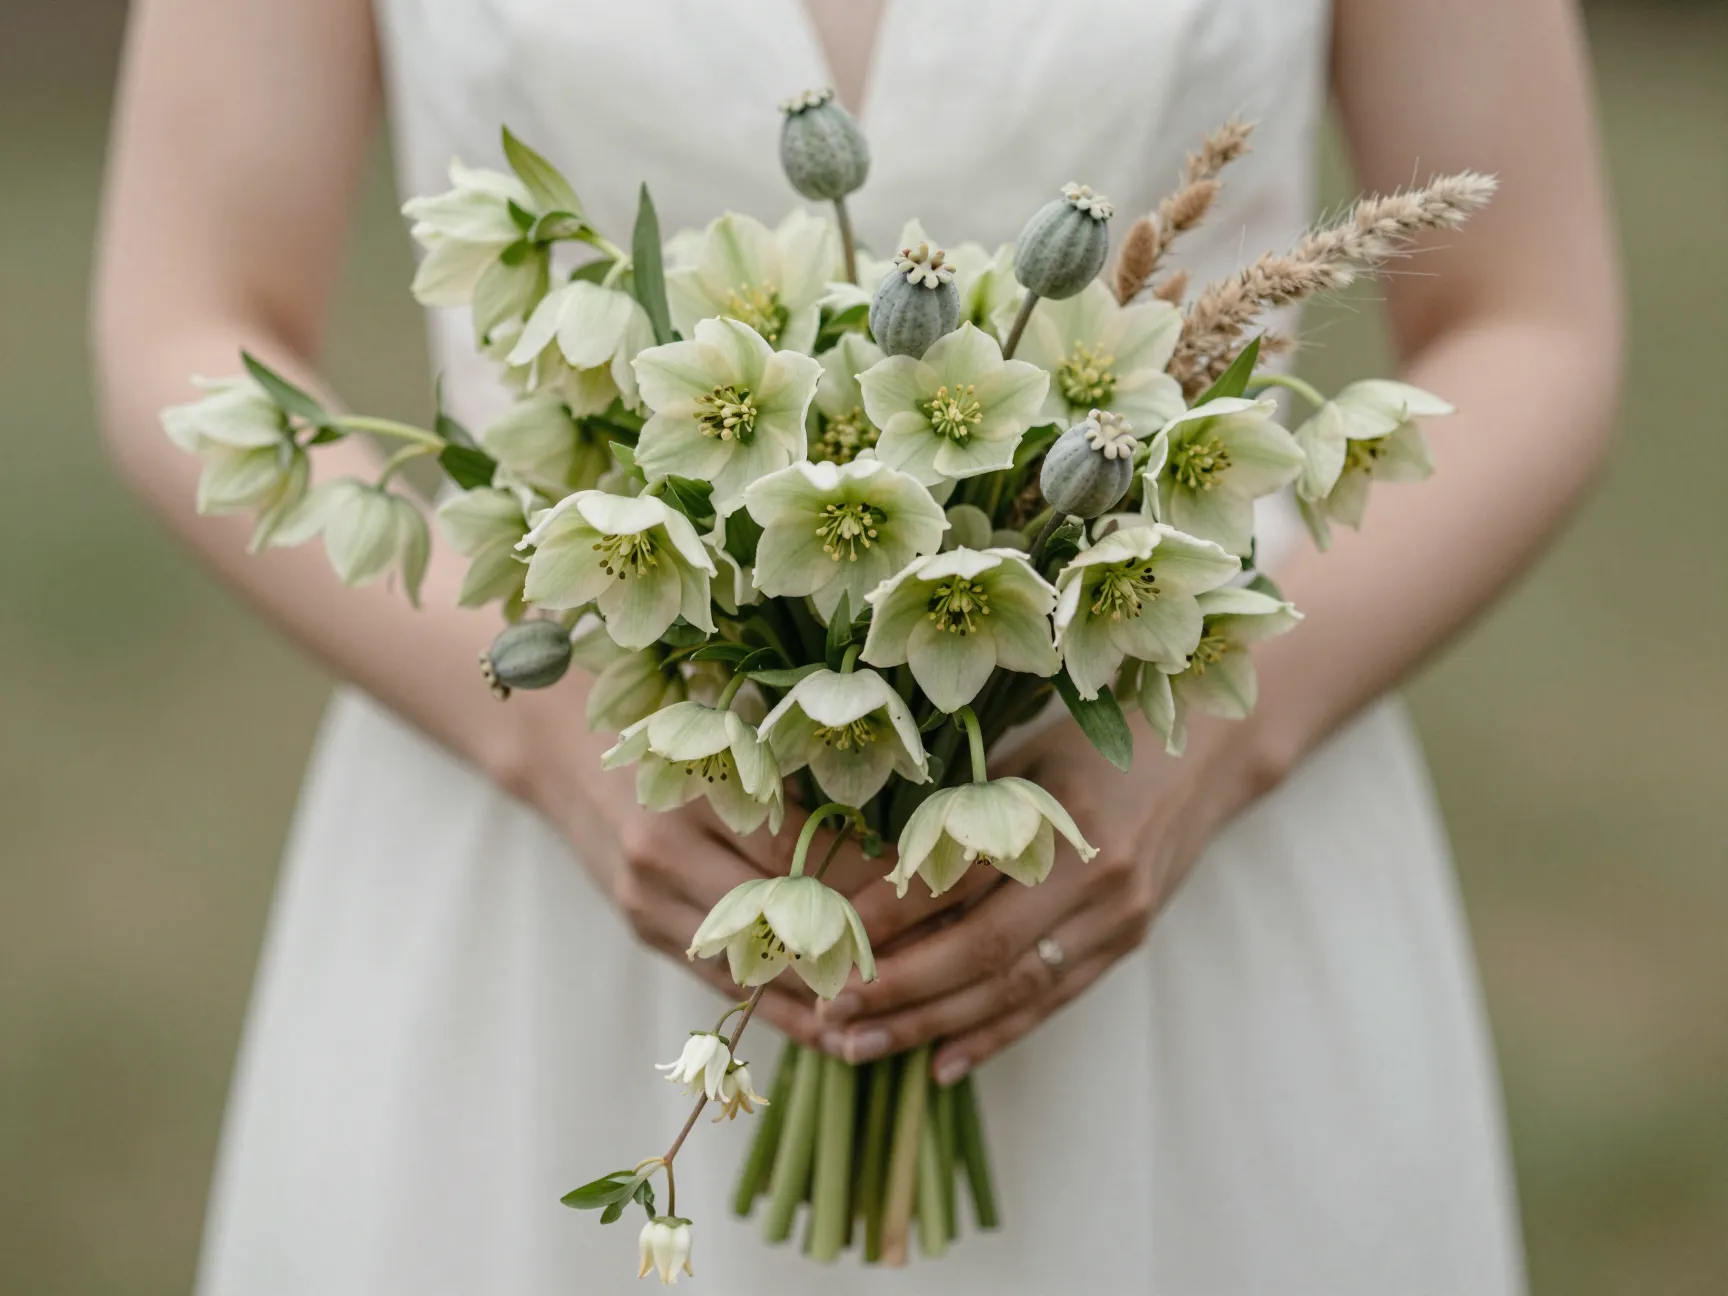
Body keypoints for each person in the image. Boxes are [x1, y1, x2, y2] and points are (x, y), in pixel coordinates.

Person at [93, 0, 1620, 1290]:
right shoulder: (544, 738)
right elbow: (187, 317)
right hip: (551, 835)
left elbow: (1534, 318)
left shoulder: (1208, 753)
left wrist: (1223, 742)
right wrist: (543, 733)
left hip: (1189, 807)